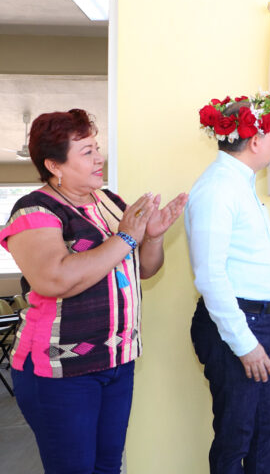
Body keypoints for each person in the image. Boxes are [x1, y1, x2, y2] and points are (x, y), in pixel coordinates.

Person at [0, 108, 187, 474]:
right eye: (86, 151)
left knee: (107, 467)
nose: (99, 157)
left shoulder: (110, 202)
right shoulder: (33, 210)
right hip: (60, 372)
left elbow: (145, 269)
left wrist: (154, 236)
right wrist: (127, 237)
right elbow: (54, 279)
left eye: (96, 147)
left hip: (117, 361)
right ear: (55, 165)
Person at [187, 92, 270, 474]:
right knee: (236, 436)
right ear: (255, 141)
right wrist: (244, 344)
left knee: (265, 429)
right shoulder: (217, 189)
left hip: (262, 320)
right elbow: (210, 276)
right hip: (237, 327)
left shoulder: (239, 184)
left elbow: (244, 259)